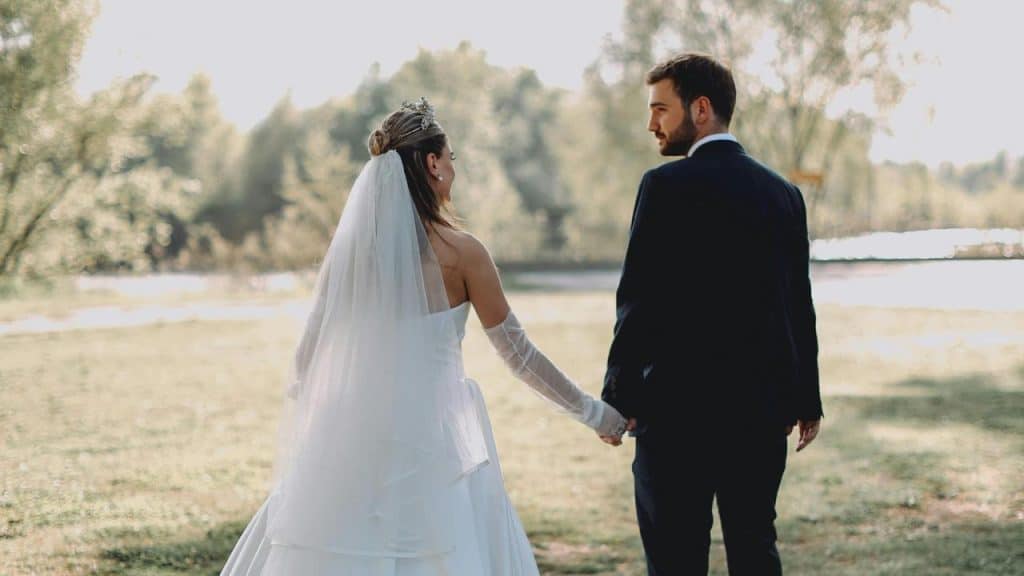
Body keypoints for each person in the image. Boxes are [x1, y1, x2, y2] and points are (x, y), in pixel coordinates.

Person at [220, 98, 627, 575]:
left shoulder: (352, 255)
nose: (454, 166)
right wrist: (596, 413)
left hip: (355, 438)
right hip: (435, 444)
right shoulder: (464, 253)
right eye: (451, 157)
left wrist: (333, 430)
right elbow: (518, 355)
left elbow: (304, 365)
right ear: (433, 163)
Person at [599, 54, 824, 575]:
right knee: (754, 547)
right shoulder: (783, 194)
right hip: (761, 412)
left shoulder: (663, 188)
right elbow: (798, 306)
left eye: (660, 108)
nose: (651, 122)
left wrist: (619, 395)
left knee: (676, 557)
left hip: (677, 414)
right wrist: (806, 398)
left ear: (700, 109)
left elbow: (638, 302)